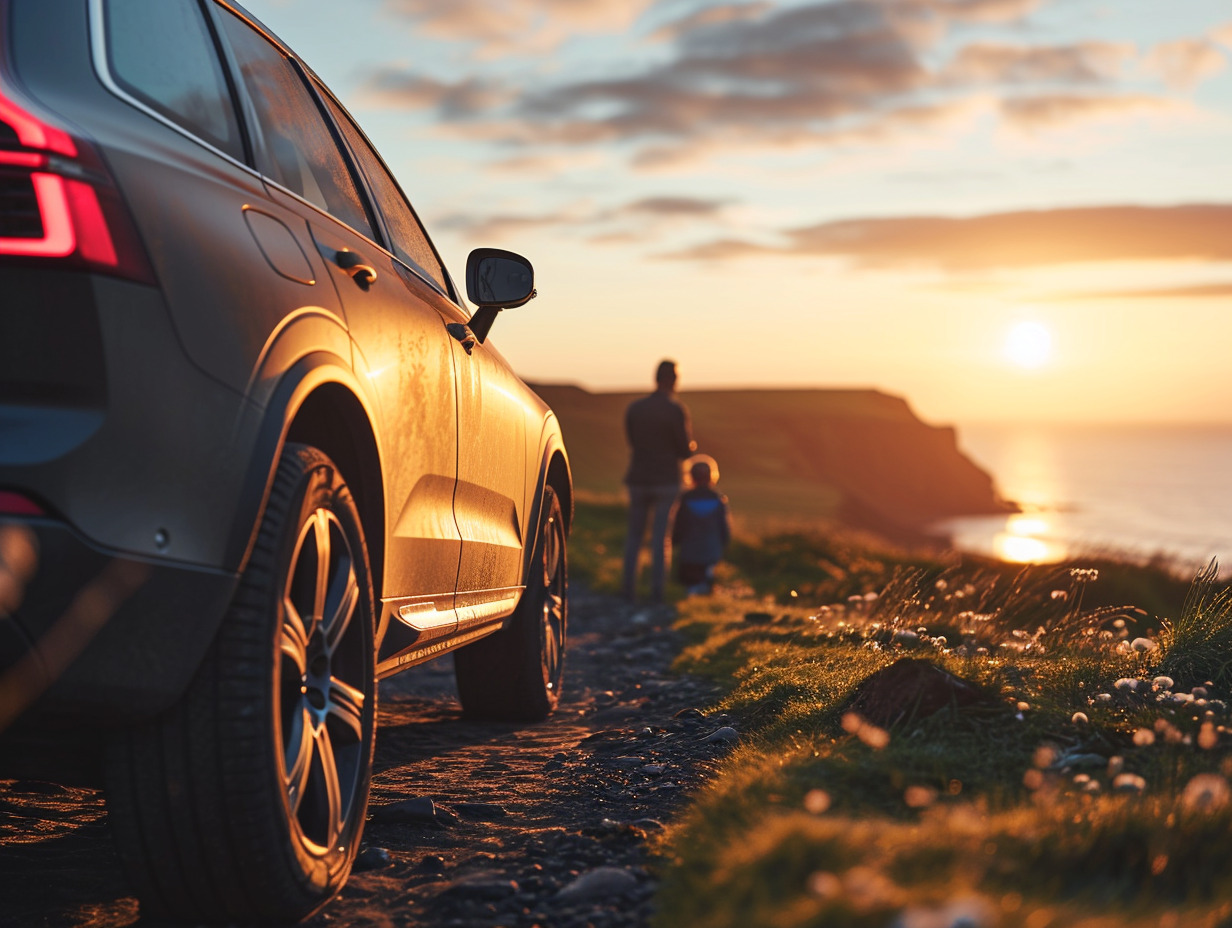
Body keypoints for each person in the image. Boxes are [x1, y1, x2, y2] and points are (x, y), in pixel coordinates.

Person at [622, 359, 696, 603]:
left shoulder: (636, 408)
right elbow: (685, 450)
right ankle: (657, 593)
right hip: (666, 480)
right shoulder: (675, 410)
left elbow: (632, 441)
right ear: (673, 380)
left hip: (638, 478)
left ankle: (628, 590)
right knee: (660, 537)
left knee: (634, 536)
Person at [672, 456, 731, 596]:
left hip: (689, 554)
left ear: (691, 477)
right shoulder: (718, 499)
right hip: (711, 553)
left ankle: (692, 590)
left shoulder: (685, 499)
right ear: (712, 476)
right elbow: (724, 530)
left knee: (689, 579)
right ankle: (706, 585)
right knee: (706, 578)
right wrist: (724, 545)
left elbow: (678, 527)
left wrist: (675, 541)